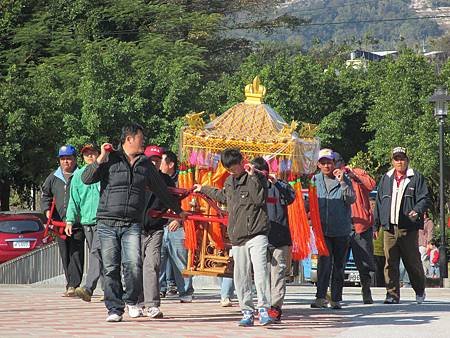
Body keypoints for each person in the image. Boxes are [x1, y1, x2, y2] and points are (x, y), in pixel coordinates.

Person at [81, 123, 186, 323]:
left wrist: (178, 211)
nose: (143, 141)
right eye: (140, 138)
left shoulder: (145, 164)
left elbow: (161, 190)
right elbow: (86, 179)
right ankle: (114, 308)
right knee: (111, 267)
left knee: (134, 265)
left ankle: (130, 300)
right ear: (129, 139)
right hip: (107, 222)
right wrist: (100, 159)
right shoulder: (110, 158)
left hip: (131, 223)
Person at [193, 148, 272, 327]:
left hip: (257, 233)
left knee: (260, 272)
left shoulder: (257, 177)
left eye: (234, 166)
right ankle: (247, 311)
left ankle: (263, 309)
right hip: (237, 236)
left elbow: (259, 198)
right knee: (240, 275)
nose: (232, 170)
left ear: (241, 162)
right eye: (228, 168)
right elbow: (223, 197)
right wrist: (203, 188)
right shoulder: (229, 181)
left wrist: (252, 177)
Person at [374, 147, 431, 304]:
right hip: (389, 228)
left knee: (412, 262)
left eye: (402, 158)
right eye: (396, 158)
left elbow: (424, 198)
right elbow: (379, 203)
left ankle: (419, 290)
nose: (399, 161)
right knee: (390, 262)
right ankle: (392, 294)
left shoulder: (416, 178)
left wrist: (417, 210)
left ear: (407, 160)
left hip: (408, 227)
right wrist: (376, 225)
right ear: (392, 161)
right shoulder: (386, 178)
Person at [137, 145, 182, 319]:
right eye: (151, 161)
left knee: (153, 264)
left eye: (157, 161)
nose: (154, 164)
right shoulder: (136, 178)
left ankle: (152, 304)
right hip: (135, 229)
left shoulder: (166, 181)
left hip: (155, 229)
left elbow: (175, 202)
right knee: (134, 266)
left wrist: (177, 217)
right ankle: (136, 302)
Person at [251, 157, 295, 322]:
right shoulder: (250, 187)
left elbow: (291, 197)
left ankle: (275, 307)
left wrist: (277, 182)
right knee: (261, 275)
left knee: (278, 274)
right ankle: (264, 305)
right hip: (259, 236)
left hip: (280, 238)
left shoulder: (278, 185)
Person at [310, 148, 355, 310]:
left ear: (334, 163)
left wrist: (342, 182)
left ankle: (336, 298)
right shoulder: (314, 180)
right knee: (324, 264)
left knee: (339, 265)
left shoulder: (344, 179)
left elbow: (351, 199)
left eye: (329, 162)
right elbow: (309, 203)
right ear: (318, 165)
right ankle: (320, 297)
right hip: (322, 230)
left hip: (341, 230)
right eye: (323, 163)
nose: (326, 165)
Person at [41, 144, 84, 297]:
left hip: (78, 222)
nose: (66, 162)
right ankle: (69, 284)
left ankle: (74, 284)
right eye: (63, 159)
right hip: (59, 223)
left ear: (75, 159)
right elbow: (45, 195)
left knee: (76, 252)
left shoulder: (82, 174)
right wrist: (46, 211)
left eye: (69, 158)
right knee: (65, 253)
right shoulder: (53, 177)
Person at [334, 152, 376, 304]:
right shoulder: (331, 177)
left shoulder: (355, 172)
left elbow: (371, 185)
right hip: (340, 225)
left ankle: (366, 290)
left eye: (338, 162)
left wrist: (353, 175)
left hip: (360, 226)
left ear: (343, 162)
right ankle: (336, 296)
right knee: (338, 262)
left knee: (364, 262)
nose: (336, 166)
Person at [65, 143, 103, 302]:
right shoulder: (78, 176)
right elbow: (73, 201)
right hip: (86, 222)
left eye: (92, 153)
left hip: (103, 221)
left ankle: (89, 288)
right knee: (101, 255)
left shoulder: (104, 172)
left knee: (98, 252)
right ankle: (109, 290)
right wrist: (69, 220)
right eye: (86, 154)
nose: (89, 156)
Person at [158, 150, 194, 303]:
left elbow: (191, 203)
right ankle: (158, 289)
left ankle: (185, 292)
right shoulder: (157, 179)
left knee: (180, 260)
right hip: (160, 224)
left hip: (178, 226)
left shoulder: (184, 179)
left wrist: (178, 219)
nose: (159, 165)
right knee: (157, 260)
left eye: (162, 161)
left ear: (170, 164)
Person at [371, 194, 386, 287]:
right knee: (375, 275)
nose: (372, 207)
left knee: (383, 274)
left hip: (384, 252)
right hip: (373, 252)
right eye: (371, 205)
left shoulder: (383, 219)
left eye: (374, 205)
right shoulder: (368, 220)